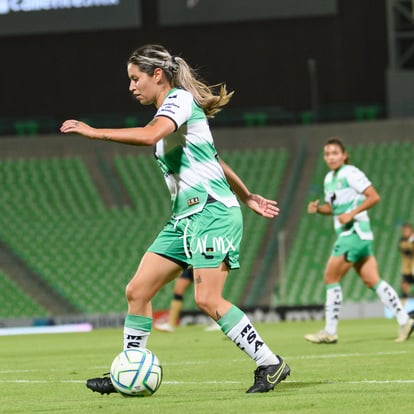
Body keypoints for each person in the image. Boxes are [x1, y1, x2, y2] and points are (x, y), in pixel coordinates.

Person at [60, 44, 290, 394]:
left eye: (136, 78)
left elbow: (150, 134)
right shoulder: (171, 114)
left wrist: (94, 132)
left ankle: (270, 363)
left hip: (212, 213)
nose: (131, 86)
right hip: (184, 218)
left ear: (157, 75)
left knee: (208, 300)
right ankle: (131, 366)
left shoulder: (179, 101)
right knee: (138, 290)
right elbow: (215, 160)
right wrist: (247, 195)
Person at [304, 137, 414, 344]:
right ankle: (404, 320)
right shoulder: (329, 178)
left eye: (335, 152)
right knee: (372, 280)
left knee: (330, 278)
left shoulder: (350, 173)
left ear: (344, 155)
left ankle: (330, 332)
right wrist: (318, 209)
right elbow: (333, 209)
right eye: (327, 153)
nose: (330, 157)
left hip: (352, 233)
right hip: (361, 236)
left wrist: (352, 213)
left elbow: (373, 196)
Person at [154, 267, 220, 332]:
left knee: (206, 293)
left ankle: (217, 322)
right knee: (178, 291)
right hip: (188, 265)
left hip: (200, 265)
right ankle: (171, 324)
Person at [399, 223, 414, 306]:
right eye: (405, 231)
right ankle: (403, 307)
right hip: (406, 269)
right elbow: (405, 248)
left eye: (408, 230)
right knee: (404, 287)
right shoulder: (402, 241)